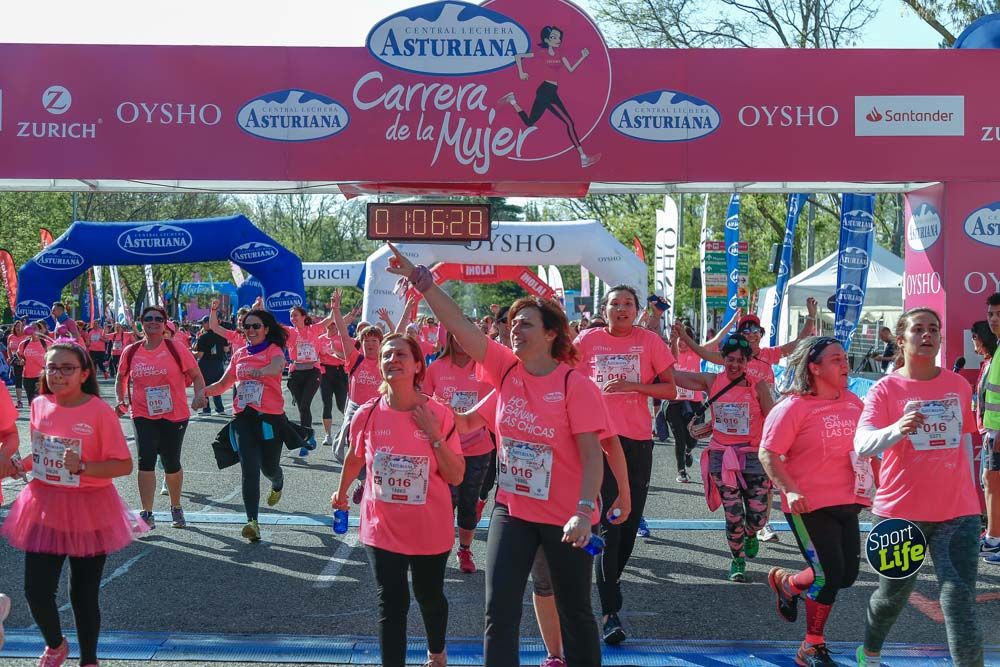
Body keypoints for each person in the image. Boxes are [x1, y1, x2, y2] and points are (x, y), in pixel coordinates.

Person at [386, 244, 606, 667]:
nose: (514, 329)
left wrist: (583, 510)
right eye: (511, 323)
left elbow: (592, 456)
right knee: (499, 610)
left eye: (525, 323)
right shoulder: (506, 369)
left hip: (566, 515)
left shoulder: (575, 385)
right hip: (514, 509)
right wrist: (422, 280)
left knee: (575, 612)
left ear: (551, 334)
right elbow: (458, 324)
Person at [854, 307, 983, 666]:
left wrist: (975, 499)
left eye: (933, 329)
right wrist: (899, 428)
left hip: (957, 513)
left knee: (959, 601)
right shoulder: (885, 388)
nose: (927, 335)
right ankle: (871, 652)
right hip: (900, 514)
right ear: (901, 340)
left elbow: (965, 444)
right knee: (891, 597)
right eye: (918, 329)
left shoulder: (957, 385)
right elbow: (862, 443)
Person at [0, 342, 142, 667]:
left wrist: (84, 467)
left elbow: (122, 465)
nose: (58, 375)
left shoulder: (99, 411)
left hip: (90, 508)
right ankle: (56, 645)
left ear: (84, 373)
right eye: (52, 368)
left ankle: (89, 660)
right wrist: (20, 465)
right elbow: (40, 455)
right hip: (44, 504)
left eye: (67, 368)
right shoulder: (39, 405)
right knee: (36, 591)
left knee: (83, 595)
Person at [332, 334, 464, 667]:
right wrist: (342, 491)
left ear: (418, 365)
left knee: (429, 597)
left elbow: (456, 475)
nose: (393, 359)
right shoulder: (367, 413)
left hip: (428, 527)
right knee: (391, 602)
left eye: (402, 354)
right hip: (382, 527)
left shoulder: (438, 413)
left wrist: (434, 435)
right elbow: (354, 457)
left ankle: (437, 653)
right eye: (388, 355)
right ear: (379, 365)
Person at [573, 284, 677, 644]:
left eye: (628, 304)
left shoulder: (650, 342)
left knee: (629, 526)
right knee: (609, 527)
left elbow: (670, 390)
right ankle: (609, 613)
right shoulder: (586, 341)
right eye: (615, 303)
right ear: (605, 308)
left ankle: (610, 585)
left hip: (637, 441)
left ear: (636, 309)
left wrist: (635, 386)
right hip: (596, 440)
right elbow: (563, 377)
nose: (621, 309)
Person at [759, 337, 870, 667]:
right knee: (828, 575)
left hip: (847, 500)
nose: (845, 364)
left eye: (845, 358)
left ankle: (788, 584)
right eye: (836, 359)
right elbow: (769, 453)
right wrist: (790, 490)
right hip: (809, 504)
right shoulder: (792, 407)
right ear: (815, 367)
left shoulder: (853, 402)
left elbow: (865, 447)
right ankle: (811, 647)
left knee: (847, 575)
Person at [677, 301, 818, 543]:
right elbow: (704, 354)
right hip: (734, 434)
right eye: (747, 330)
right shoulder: (734, 358)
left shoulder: (768, 355)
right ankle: (745, 537)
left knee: (765, 482)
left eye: (756, 330)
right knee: (739, 492)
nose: (752, 334)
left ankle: (760, 524)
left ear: (761, 335)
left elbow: (797, 344)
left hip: (764, 423)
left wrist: (812, 318)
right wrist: (684, 338)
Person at [671, 332, 775, 582]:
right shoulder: (712, 381)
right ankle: (737, 559)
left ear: (747, 361)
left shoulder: (756, 386)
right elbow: (677, 376)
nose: (734, 365)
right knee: (733, 513)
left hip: (752, 456)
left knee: (758, 516)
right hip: (721, 455)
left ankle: (752, 534)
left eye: (740, 360)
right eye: (730, 359)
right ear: (722, 359)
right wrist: (657, 345)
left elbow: (772, 419)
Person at [115, 306, 207, 530]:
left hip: (174, 415)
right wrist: (120, 399)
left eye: (158, 319)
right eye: (148, 319)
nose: (153, 322)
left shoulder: (176, 348)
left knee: (171, 462)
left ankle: (176, 506)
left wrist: (199, 395)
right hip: (143, 414)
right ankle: (147, 513)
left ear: (165, 323)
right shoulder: (132, 351)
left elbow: (196, 375)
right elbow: (121, 378)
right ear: (141, 322)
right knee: (145, 460)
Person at [204, 309, 289, 542]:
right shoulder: (239, 353)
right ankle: (252, 522)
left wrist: (260, 372)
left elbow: (278, 366)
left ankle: (277, 481)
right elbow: (224, 383)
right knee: (249, 468)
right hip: (243, 419)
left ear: (266, 329)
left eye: (256, 326)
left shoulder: (273, 350)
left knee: (268, 468)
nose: (250, 330)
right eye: (247, 326)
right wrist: (204, 392)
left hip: (269, 418)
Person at [423, 328, 496, 574]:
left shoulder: (486, 368)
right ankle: (437, 550)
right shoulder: (436, 368)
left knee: (467, 503)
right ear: (450, 339)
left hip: (477, 447)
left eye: (468, 337)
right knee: (444, 503)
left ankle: (464, 550)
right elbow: (423, 401)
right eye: (458, 336)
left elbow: (499, 404)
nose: (463, 342)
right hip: (443, 448)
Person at [498, 26, 600, 168]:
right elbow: (518, 56)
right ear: (546, 40)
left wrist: (582, 57)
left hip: (552, 91)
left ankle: (512, 100)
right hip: (545, 91)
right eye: (553, 37)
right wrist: (521, 73)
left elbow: (571, 69)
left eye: (559, 37)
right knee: (569, 123)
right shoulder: (542, 52)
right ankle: (583, 158)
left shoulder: (560, 54)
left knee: (529, 122)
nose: (558, 40)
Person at [285, 303, 338, 454]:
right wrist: (259, 308)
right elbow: (270, 325)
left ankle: (305, 440)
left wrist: (335, 307)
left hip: (313, 371)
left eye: (295, 315)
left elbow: (329, 319)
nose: (292, 318)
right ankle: (309, 434)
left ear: (304, 317)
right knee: (302, 406)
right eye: (291, 316)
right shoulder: (289, 332)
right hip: (295, 372)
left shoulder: (314, 329)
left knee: (304, 405)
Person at [980, 293, 1000, 565]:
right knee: (990, 481)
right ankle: (993, 537)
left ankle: (994, 540)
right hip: (993, 431)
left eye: (997, 313)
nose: (993, 319)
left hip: (997, 433)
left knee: (993, 483)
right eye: (991, 314)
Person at [194, 316, 229, 416]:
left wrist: (191, 353)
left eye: (203, 323)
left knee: (204, 386)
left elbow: (200, 354)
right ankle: (220, 408)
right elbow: (226, 349)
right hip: (218, 363)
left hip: (205, 364)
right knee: (217, 385)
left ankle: (206, 409)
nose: (202, 325)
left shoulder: (203, 337)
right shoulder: (221, 335)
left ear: (208, 323)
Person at [16, 324, 50, 405]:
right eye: (31, 328)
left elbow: (54, 357)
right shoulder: (24, 344)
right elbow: (18, 353)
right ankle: (35, 417)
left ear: (40, 331)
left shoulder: (46, 343)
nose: (33, 330)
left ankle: (42, 417)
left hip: (41, 376)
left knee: (40, 401)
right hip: (27, 376)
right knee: (31, 402)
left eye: (35, 328)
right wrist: (21, 360)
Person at [6, 320, 28, 408]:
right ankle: (19, 401)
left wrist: (23, 359)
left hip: (25, 360)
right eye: (17, 326)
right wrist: (9, 357)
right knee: (18, 380)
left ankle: (33, 398)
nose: (19, 328)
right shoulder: (11, 337)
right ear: (14, 327)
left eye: (21, 326)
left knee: (27, 381)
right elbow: (8, 347)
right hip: (15, 361)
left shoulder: (26, 337)